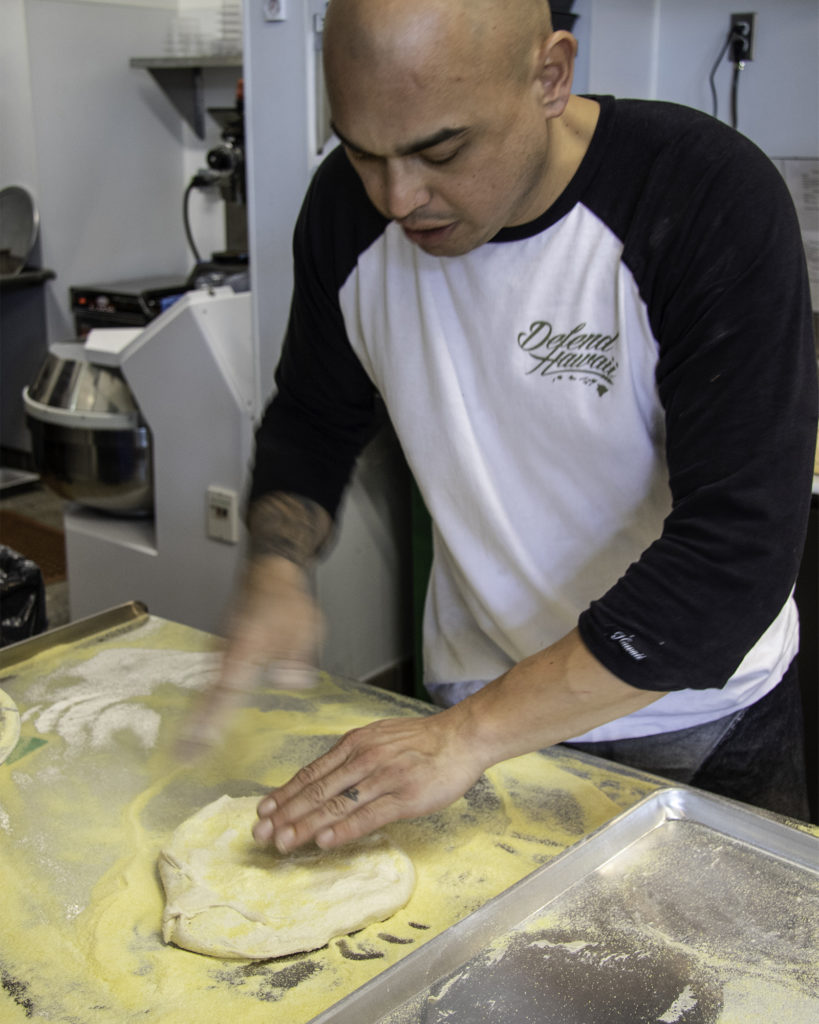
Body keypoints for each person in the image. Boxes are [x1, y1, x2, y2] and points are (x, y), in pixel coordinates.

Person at [183, 0, 817, 847]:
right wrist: (275, 565)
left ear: (550, 75)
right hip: (475, 704)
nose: (399, 197)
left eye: (440, 149)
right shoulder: (345, 212)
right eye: (363, 150)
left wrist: (469, 735)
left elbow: (736, 553)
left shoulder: (701, 195)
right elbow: (312, 413)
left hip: (699, 723)